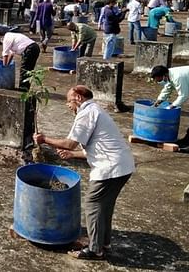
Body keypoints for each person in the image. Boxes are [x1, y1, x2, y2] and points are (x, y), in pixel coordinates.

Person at [33, 85, 134, 261]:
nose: (68, 105)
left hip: (110, 167)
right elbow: (94, 147)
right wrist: (72, 155)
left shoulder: (86, 113)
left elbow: (70, 143)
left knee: (92, 204)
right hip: (123, 166)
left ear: (78, 97)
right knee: (105, 206)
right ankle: (103, 243)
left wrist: (44, 139)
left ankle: (95, 250)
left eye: (69, 100)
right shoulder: (96, 111)